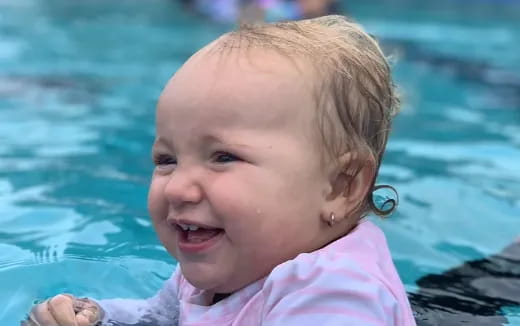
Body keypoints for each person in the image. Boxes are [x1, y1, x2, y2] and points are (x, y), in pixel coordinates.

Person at [23, 15, 416, 326]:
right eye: (166, 160)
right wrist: (92, 316)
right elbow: (156, 318)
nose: (178, 189)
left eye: (224, 157)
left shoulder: (336, 292)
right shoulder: (219, 267)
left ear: (339, 186)